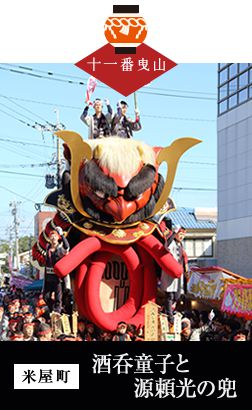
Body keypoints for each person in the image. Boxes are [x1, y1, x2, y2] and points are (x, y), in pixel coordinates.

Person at [160, 226, 188, 324]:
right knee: (170, 295)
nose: (181, 236)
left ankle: (168, 310)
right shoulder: (171, 242)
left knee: (177, 295)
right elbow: (167, 245)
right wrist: (173, 233)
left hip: (178, 273)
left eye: (183, 235)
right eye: (180, 234)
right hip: (170, 271)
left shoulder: (181, 245)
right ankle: (169, 315)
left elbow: (184, 258)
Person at [43, 227, 70, 314]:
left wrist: (62, 235)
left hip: (57, 277)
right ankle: (53, 310)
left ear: (58, 238)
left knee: (58, 297)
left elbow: (67, 248)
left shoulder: (60, 249)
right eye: (51, 236)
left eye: (55, 236)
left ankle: (58, 311)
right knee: (45, 297)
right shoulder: (48, 248)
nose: (53, 238)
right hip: (48, 277)